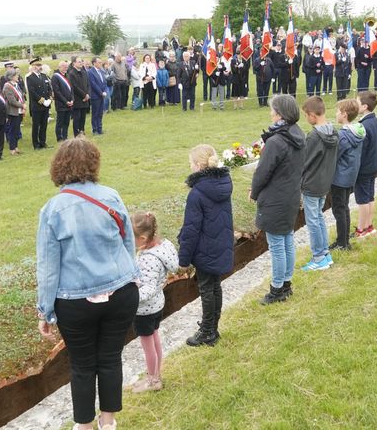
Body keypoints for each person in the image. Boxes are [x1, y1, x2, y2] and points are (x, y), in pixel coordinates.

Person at [36, 138, 140, 430]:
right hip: (120, 292)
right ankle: (107, 422)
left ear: (58, 166)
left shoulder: (53, 209)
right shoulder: (111, 196)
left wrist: (45, 312)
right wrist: (128, 276)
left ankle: (85, 426)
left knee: (83, 365)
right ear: (94, 163)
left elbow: (47, 267)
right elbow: (128, 244)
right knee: (109, 358)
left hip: (77, 301)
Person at [251, 95, 306, 304]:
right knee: (287, 240)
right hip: (290, 194)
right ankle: (286, 283)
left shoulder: (276, 141)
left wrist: (254, 192)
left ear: (280, 114)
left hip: (276, 198)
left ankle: (277, 288)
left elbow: (262, 172)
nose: (270, 113)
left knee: (276, 244)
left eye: (272, 110)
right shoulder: (298, 134)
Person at [178, 144, 234, 346]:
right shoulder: (223, 184)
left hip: (205, 248)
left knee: (206, 289)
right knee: (215, 286)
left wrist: (183, 259)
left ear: (198, 165)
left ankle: (208, 331)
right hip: (220, 243)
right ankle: (212, 327)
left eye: (191, 163)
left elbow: (191, 229)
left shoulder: (197, 193)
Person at [129, 211, 178, 393]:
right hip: (157, 305)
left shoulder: (148, 259)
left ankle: (153, 380)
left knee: (148, 346)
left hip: (144, 310)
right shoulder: (162, 247)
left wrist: (129, 298)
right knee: (155, 339)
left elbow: (147, 289)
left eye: (130, 238)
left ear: (142, 238)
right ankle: (156, 373)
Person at [299, 97, 339, 271]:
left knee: (313, 220)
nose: (306, 120)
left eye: (306, 116)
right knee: (319, 217)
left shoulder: (314, 136)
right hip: (324, 182)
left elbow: (305, 162)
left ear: (312, 115)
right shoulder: (333, 131)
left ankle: (318, 258)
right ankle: (325, 254)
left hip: (312, 183)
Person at [330, 99, 366, 251]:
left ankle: (342, 244)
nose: (336, 114)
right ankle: (343, 240)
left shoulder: (343, 136)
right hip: (350, 176)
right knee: (344, 208)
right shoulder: (357, 131)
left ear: (344, 114)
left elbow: (334, 156)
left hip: (340, 178)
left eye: (338, 111)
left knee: (339, 209)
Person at [353, 91, 377, 237]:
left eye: (357, 102)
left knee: (362, 199)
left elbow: (361, 151)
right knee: (370, 196)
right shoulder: (375, 121)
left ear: (364, 106)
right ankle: (369, 226)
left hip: (364, 168)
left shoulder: (363, 125)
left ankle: (361, 229)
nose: (355, 105)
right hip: (374, 165)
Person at [27, 59, 52, 149]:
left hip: (46, 105)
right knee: (36, 126)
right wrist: (42, 100)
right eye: (37, 65)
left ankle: (43, 142)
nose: (39, 67)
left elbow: (49, 88)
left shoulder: (44, 76)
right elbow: (32, 92)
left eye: (40, 65)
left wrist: (49, 98)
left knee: (44, 125)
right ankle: (36, 144)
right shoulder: (30, 78)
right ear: (33, 67)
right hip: (37, 106)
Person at [2, 69, 26, 155]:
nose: (18, 77)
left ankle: (16, 147)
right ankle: (12, 149)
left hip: (19, 110)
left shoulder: (16, 84)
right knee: (12, 130)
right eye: (16, 75)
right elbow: (12, 101)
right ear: (11, 77)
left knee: (16, 129)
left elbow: (21, 96)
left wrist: (23, 104)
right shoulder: (7, 86)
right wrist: (22, 105)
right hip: (13, 111)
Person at [51, 61, 74, 142]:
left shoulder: (67, 75)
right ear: (59, 67)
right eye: (64, 66)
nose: (65, 68)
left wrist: (72, 100)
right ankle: (59, 138)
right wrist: (65, 101)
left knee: (66, 122)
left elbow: (71, 89)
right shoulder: (55, 77)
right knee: (60, 122)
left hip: (69, 103)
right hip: (61, 104)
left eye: (66, 67)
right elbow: (57, 92)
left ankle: (65, 136)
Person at [68, 56, 90, 136]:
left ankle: (82, 132)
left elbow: (88, 84)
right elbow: (74, 87)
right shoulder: (71, 73)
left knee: (83, 118)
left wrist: (87, 94)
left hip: (85, 99)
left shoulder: (84, 72)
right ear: (74, 63)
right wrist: (84, 95)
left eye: (81, 61)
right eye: (79, 62)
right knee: (77, 118)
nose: (81, 63)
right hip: (78, 99)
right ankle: (77, 134)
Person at [87, 56, 108, 135]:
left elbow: (104, 82)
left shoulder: (101, 71)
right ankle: (95, 129)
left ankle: (100, 128)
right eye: (99, 62)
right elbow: (93, 84)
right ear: (94, 63)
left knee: (100, 113)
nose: (100, 63)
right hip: (95, 96)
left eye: (101, 62)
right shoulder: (90, 72)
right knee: (95, 113)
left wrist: (105, 91)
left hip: (102, 95)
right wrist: (101, 93)